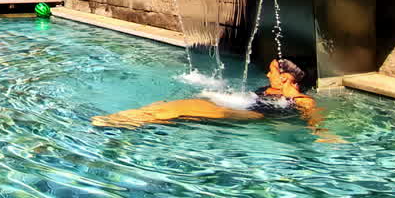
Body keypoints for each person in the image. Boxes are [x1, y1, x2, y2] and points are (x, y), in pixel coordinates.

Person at [92, 59, 340, 142]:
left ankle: (128, 120)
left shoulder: (301, 99)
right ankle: (134, 120)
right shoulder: (268, 90)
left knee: (183, 108)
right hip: (243, 107)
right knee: (179, 109)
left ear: (285, 78)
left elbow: (313, 115)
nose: (267, 74)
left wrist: (322, 132)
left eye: (272, 71)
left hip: (254, 115)